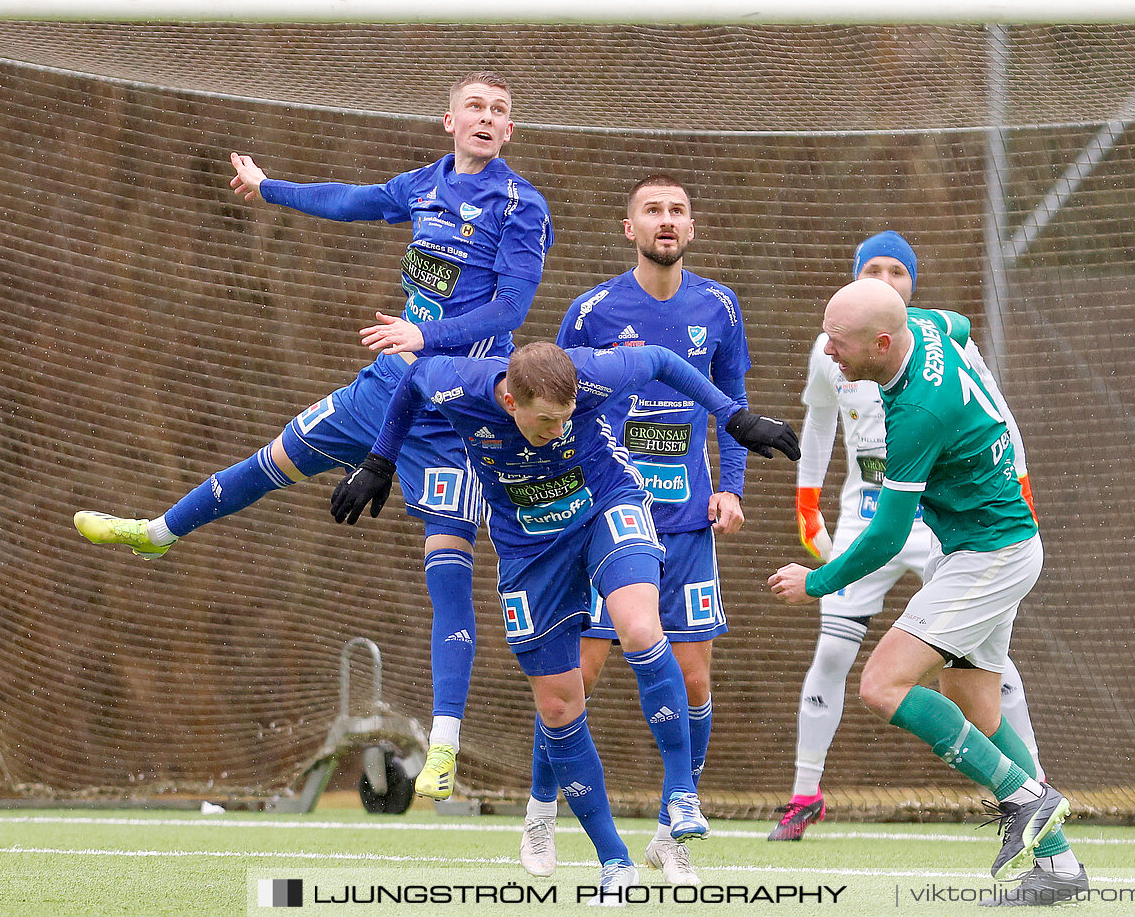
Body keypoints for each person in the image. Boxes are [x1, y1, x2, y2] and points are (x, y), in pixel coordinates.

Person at [73, 72, 550, 807]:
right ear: (449, 121)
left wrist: (427, 333)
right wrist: (270, 188)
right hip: (385, 388)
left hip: (457, 412)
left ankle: (446, 746)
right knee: (276, 460)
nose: (487, 119)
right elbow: (353, 200)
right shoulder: (424, 184)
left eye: (500, 112)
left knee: (448, 567)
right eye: (476, 108)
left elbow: (512, 305)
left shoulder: (520, 205)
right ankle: (160, 531)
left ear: (510, 131)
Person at [329, 340, 799, 902]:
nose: (558, 429)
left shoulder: (596, 374)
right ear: (510, 400)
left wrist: (736, 416)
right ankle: (614, 860)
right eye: (546, 421)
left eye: (567, 416)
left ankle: (680, 796)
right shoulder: (458, 383)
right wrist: (380, 461)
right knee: (558, 705)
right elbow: (410, 383)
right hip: (528, 548)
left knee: (643, 630)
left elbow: (665, 362)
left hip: (606, 504)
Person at [769, 280, 1081, 904]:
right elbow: (960, 324)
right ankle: (1060, 870)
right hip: (988, 546)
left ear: (883, 343)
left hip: (988, 557)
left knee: (882, 685)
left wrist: (818, 582)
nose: (828, 352)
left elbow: (885, 534)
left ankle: (1028, 798)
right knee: (979, 715)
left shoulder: (918, 415)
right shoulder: (928, 327)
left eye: (840, 343)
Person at [555, 174, 750, 881]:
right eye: (652, 211)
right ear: (628, 228)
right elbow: (555, 402)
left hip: (688, 528)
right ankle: (543, 813)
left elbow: (734, 406)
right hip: (609, 522)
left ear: (691, 229)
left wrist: (729, 489)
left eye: (677, 212)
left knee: (695, 677)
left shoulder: (719, 306)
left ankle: (674, 819)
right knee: (577, 674)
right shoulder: (592, 311)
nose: (666, 221)